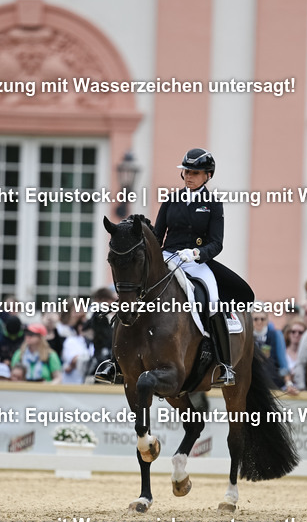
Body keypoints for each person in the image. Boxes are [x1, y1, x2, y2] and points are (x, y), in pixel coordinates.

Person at [96, 147, 238, 387]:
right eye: (186, 172)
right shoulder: (172, 199)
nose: (189, 177)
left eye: (195, 172)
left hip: (196, 263)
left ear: (207, 175)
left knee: (213, 302)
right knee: (132, 297)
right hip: (169, 257)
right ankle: (114, 363)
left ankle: (224, 365)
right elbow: (158, 234)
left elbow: (217, 243)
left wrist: (196, 253)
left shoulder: (213, 204)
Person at [252, 308, 294, 392]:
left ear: (267, 320)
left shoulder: (276, 335)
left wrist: (289, 384)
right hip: (252, 384)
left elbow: (283, 364)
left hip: (272, 382)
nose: (259, 322)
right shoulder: (247, 337)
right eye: (255, 319)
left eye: (262, 319)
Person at [282, 319, 307, 389]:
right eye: (293, 332)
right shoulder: (281, 352)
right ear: (288, 333)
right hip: (283, 391)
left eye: (300, 332)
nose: (296, 335)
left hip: (304, 392)